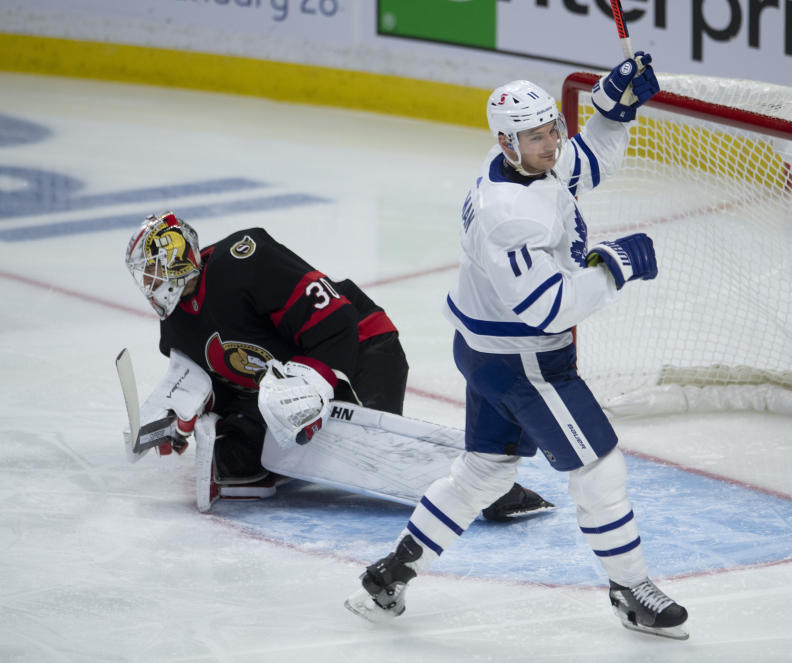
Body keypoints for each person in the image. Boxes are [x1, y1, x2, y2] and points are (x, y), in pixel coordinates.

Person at [345, 53, 689, 639]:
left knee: (484, 472)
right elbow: (548, 306)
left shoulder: (519, 163)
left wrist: (612, 111)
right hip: (525, 362)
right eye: (537, 136)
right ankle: (630, 589)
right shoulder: (509, 215)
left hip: (486, 352)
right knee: (601, 469)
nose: (552, 142)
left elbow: (582, 163)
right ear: (509, 142)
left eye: (553, 126)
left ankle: (392, 572)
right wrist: (616, 267)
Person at [124, 212, 551, 520]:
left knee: (375, 455)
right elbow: (214, 377)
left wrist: (313, 383)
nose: (147, 286)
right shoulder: (177, 321)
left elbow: (337, 322)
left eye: (151, 273)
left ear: (176, 261)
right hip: (287, 382)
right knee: (237, 464)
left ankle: (493, 490)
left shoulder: (245, 260)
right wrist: (183, 413)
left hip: (360, 349)